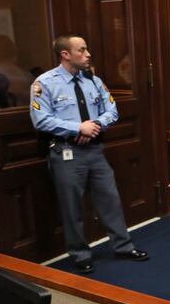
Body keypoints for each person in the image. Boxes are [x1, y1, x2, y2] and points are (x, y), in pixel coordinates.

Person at [29, 34, 148, 274]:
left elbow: (112, 109)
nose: (88, 54)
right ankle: (80, 254)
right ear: (66, 55)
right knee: (72, 207)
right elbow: (40, 119)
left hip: (94, 150)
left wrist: (93, 125)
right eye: (82, 50)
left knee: (110, 199)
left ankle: (123, 246)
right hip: (66, 152)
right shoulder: (45, 83)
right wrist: (77, 128)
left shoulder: (93, 80)